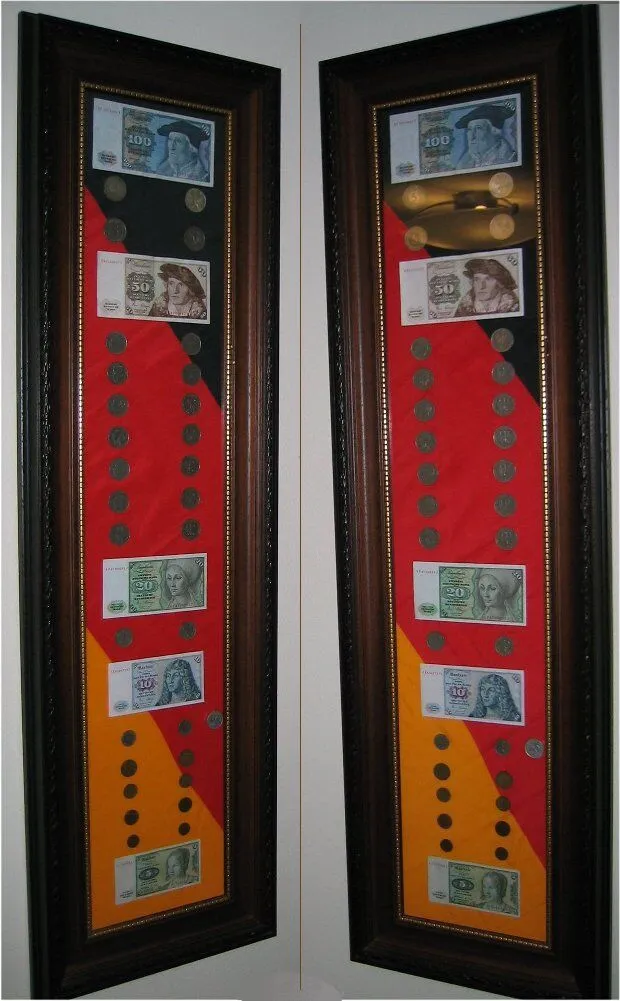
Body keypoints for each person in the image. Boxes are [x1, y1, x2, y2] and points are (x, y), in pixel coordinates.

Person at [455, 104, 517, 169]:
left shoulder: (511, 159)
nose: (472, 136)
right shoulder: (463, 164)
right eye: (469, 129)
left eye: (478, 128)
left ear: (495, 131)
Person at [454, 258, 519, 317]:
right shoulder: (463, 310)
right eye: (477, 279)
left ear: (500, 283)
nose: (482, 286)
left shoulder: (514, 308)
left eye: (488, 279)